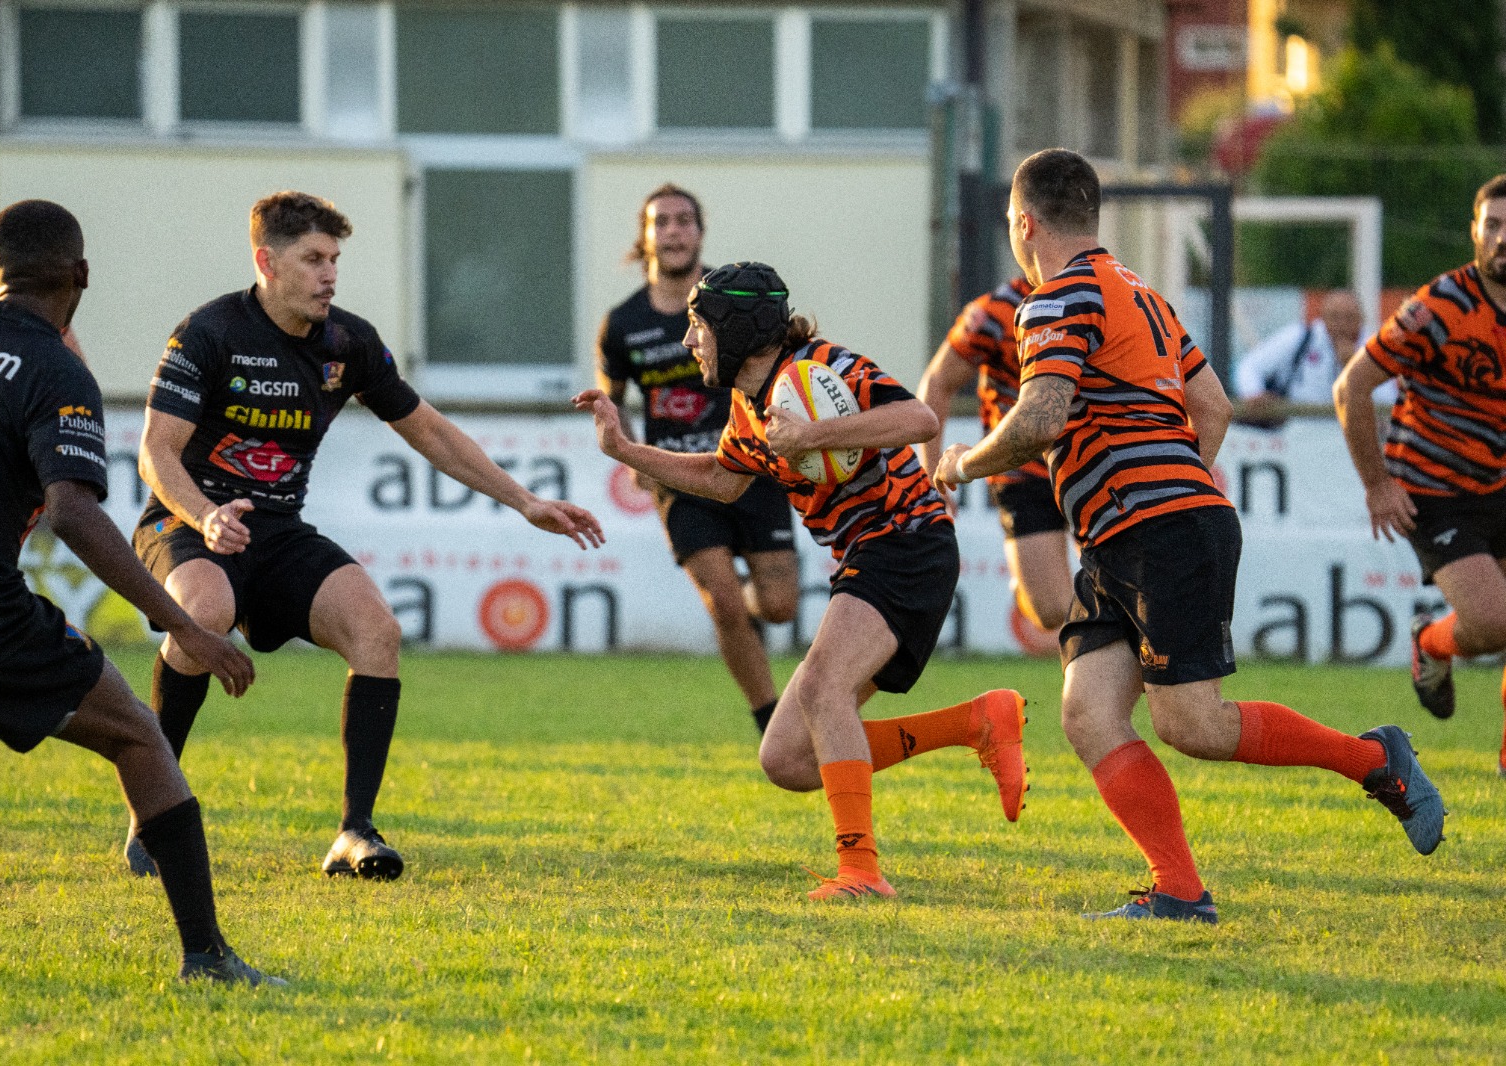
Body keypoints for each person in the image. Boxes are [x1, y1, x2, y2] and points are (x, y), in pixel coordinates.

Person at [936, 149, 1445, 924]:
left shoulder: (1054, 298)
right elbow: (1214, 406)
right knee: (1088, 712)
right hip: (1132, 531)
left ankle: (1376, 759)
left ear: (1024, 223)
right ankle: (1177, 890)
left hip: (1155, 530)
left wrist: (964, 464)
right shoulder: (1143, 296)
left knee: (1193, 725)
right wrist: (1172, 480)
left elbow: (1039, 419)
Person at [126, 191, 604, 882]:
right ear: (266, 262)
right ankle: (152, 814)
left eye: (334, 260)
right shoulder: (209, 332)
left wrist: (524, 500)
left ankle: (354, 832)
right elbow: (155, 453)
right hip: (184, 521)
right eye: (312, 260)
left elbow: (429, 430)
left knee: (377, 629)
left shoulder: (347, 342)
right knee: (207, 609)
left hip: (277, 531)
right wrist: (206, 515)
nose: (329, 275)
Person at [0, 199, 278, 983]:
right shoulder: (57, 371)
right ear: (80, 274)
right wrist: (184, 625)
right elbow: (72, 512)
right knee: (139, 736)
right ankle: (207, 956)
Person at [576, 261, 1028, 901]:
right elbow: (722, 479)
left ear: (736, 328)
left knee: (820, 690)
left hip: (907, 542)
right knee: (786, 758)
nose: (688, 341)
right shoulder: (747, 404)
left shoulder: (822, 366)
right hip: (870, 555)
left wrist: (814, 435)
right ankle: (976, 722)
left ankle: (861, 873)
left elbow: (919, 420)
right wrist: (625, 450)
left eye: (699, 326)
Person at [597, 186, 797, 734]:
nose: (673, 230)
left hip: (751, 466)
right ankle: (770, 720)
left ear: (700, 232)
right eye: (661, 222)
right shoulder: (623, 323)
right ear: (646, 237)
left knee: (779, 606)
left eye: (684, 220)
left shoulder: (731, 300)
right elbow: (612, 399)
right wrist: (634, 455)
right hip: (681, 480)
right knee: (724, 604)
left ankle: (752, 619)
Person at [1334, 173, 1506, 774]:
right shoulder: (1440, 306)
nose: (1503, 238)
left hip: (1500, 480)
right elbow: (1351, 387)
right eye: (1493, 225)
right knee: (1494, 622)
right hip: (1435, 488)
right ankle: (1431, 642)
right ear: (1474, 232)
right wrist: (1377, 484)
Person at [917, 275, 1073, 640]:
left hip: (1090, 463)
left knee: (1115, 593)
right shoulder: (993, 313)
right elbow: (938, 382)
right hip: (1023, 472)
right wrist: (931, 474)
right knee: (1052, 612)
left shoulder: (1097, 296)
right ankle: (1029, 586)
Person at [1233, 288, 1393, 426]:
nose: (1342, 324)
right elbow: (1249, 366)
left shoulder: (1374, 348)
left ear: (1360, 319)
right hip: (1300, 433)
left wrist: (1355, 369)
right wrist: (1255, 393)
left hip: (1350, 438)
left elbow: (1387, 402)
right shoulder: (1302, 337)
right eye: (1335, 317)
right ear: (1322, 317)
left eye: (1349, 317)